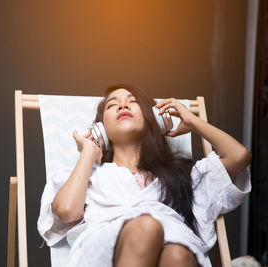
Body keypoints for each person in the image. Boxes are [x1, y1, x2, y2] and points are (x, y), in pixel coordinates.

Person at [37, 84, 252, 267]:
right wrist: (88, 151)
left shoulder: (182, 175)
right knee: (146, 227)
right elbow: (66, 210)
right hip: (105, 251)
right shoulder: (90, 176)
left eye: (132, 101)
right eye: (112, 104)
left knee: (177, 255)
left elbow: (239, 157)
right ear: (100, 130)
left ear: (154, 119)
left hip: (175, 245)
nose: (122, 105)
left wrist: (192, 121)